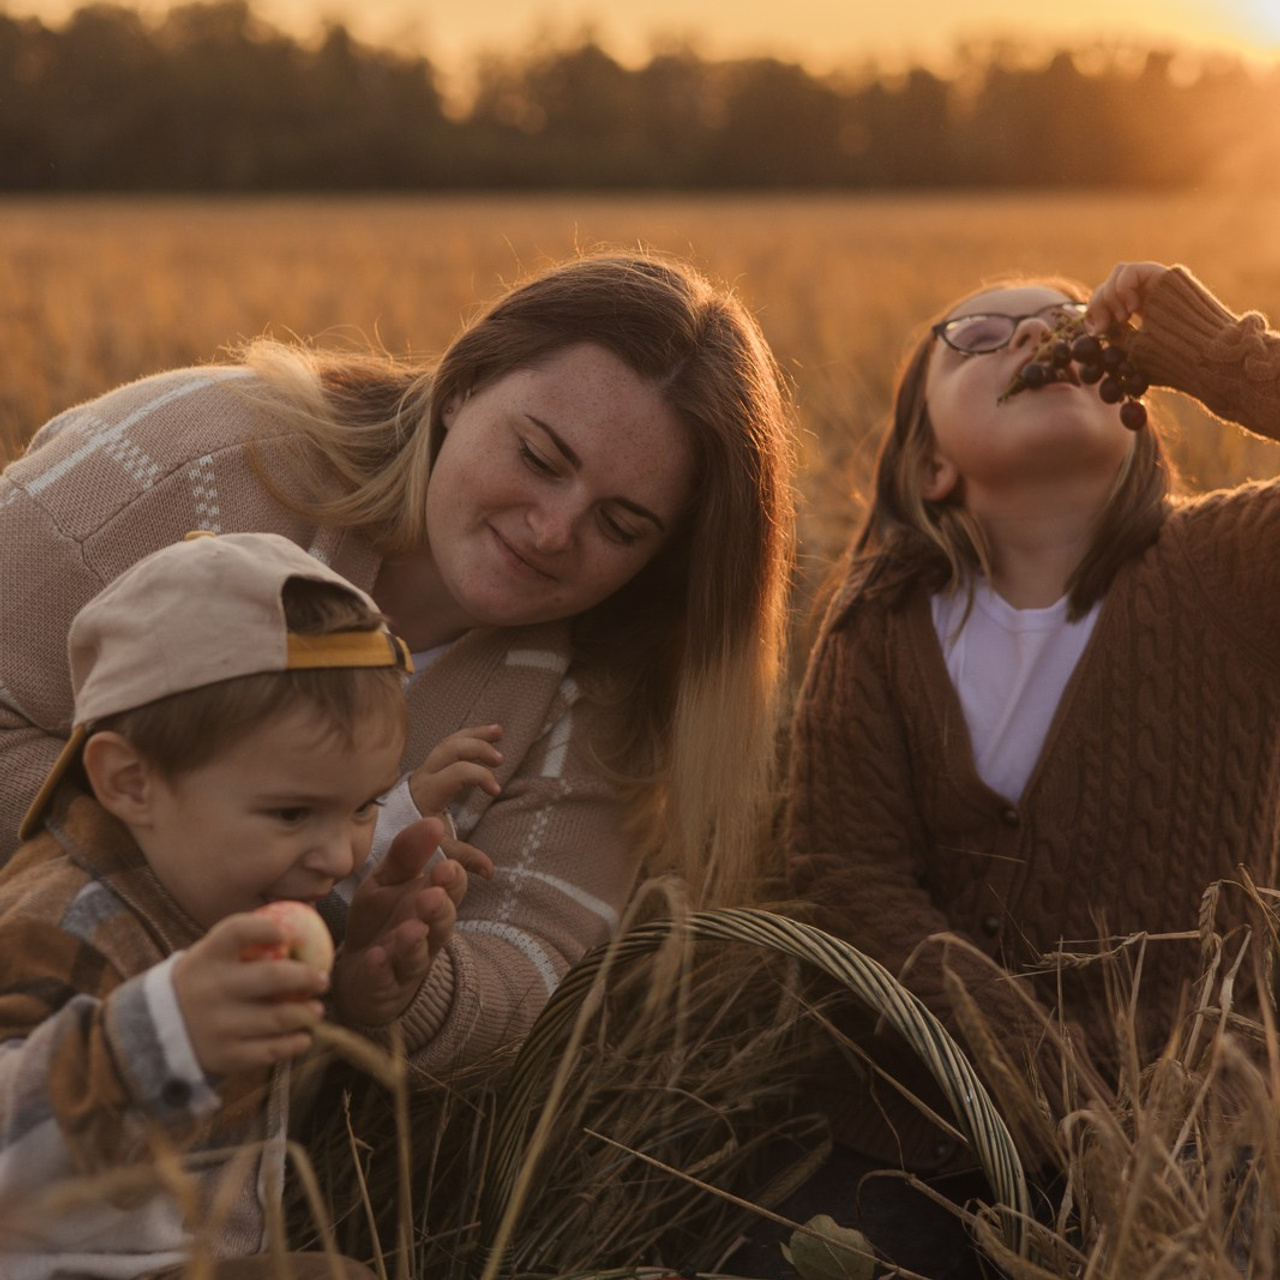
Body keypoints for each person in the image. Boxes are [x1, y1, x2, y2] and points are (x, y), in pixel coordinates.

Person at [0, 250, 796, 1078]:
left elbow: (526, 964)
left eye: (622, 526)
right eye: (539, 457)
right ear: (461, 386)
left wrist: (395, 979)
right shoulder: (199, 458)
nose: (553, 530)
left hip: (229, 1141)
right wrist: (263, 895)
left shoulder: (604, 685)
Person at [777, 262, 1280, 1277]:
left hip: (1197, 1134)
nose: (1030, 338)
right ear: (929, 468)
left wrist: (1212, 354)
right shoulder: (877, 626)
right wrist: (1043, 1079)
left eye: (1064, 325)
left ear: (1135, 423)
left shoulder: (1231, 565)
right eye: (974, 336)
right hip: (920, 1128)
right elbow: (845, 873)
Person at [0, 531, 495, 1278]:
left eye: (361, 805)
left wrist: (351, 989)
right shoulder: (66, 920)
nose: (338, 857)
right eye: (292, 814)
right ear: (131, 783)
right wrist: (162, 1034)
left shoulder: (205, 877)